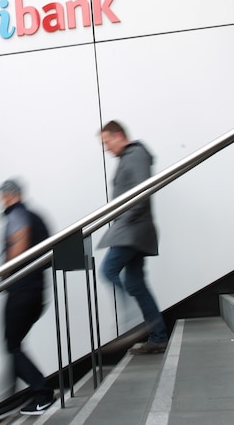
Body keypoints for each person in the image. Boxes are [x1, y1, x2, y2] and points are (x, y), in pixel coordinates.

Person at [98, 121, 169, 354]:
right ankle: (157, 335)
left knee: (108, 270)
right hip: (132, 229)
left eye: (107, 142)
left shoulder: (135, 154)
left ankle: (134, 322)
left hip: (133, 230)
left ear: (118, 136)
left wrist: (124, 223)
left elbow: (142, 192)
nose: (107, 148)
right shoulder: (129, 156)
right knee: (136, 283)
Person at [0, 179, 55, 415]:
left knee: (12, 344)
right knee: (13, 343)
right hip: (36, 291)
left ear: (9, 195)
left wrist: (4, 272)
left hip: (22, 290)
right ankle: (11, 397)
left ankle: (42, 393)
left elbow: (19, 244)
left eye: (1, 196)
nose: (0, 201)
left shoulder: (17, 214)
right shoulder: (35, 215)